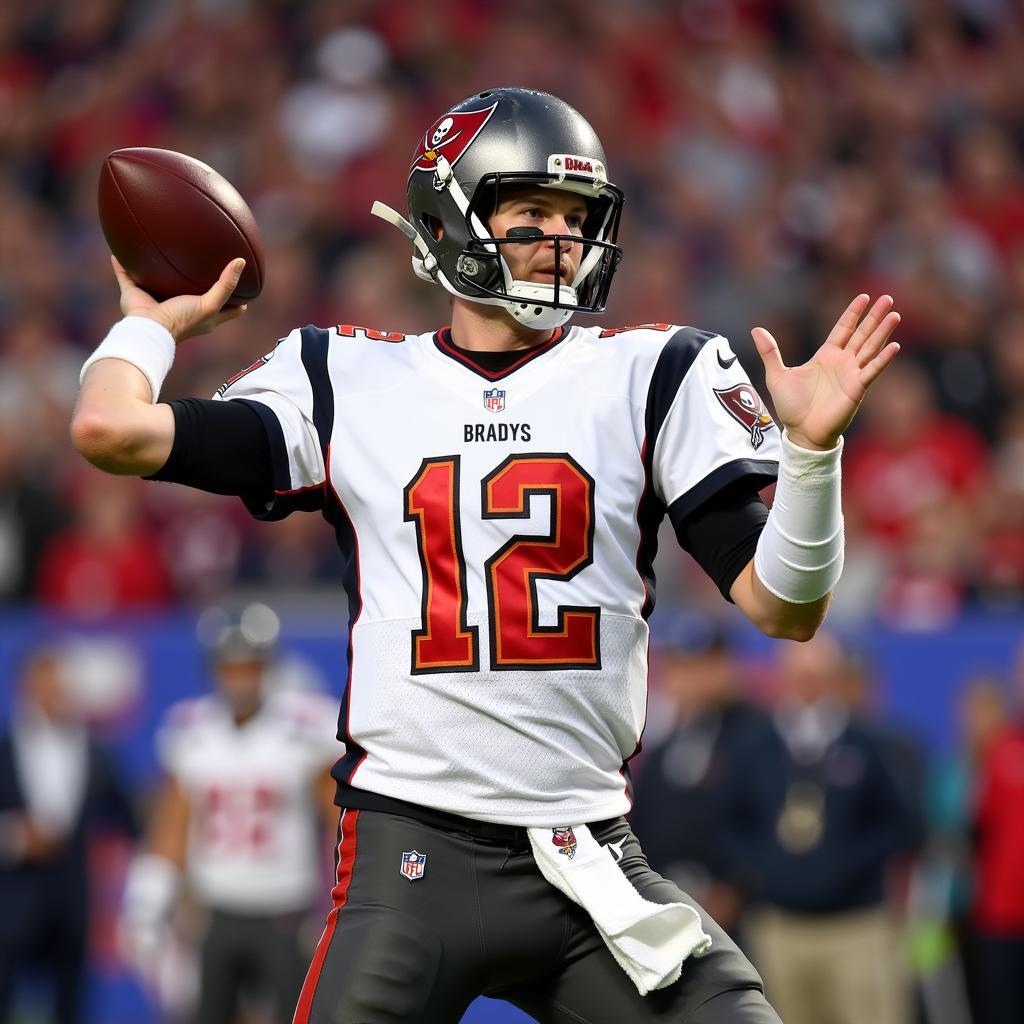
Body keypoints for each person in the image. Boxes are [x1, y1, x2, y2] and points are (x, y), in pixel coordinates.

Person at [71, 87, 901, 1023]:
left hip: (589, 862)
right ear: (448, 217)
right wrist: (152, 320)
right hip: (410, 858)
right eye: (531, 213)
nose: (561, 239)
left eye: (577, 218)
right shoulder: (343, 375)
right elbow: (110, 428)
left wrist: (813, 455)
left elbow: (786, 608)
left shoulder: (652, 370)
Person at [119, 605, 341, 1024]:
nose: (240, 678)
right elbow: (174, 825)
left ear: (267, 668)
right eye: (231, 667)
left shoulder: (301, 730)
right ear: (215, 670)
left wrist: (335, 902)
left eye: (250, 667)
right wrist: (147, 900)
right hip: (216, 910)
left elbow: (339, 824)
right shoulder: (193, 732)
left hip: (284, 909)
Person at [719, 631, 919, 1024]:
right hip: (779, 926)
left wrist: (846, 865)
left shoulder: (870, 744)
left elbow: (904, 824)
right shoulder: (754, 748)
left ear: (835, 678)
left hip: (857, 927)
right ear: (780, 679)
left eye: (817, 676)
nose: (807, 687)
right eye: (798, 676)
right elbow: (730, 822)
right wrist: (762, 869)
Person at [0, 645, 137, 1024]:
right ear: (26, 686)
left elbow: (129, 820)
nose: (56, 690)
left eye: (60, 682)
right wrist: (15, 837)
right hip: (12, 900)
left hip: (72, 903)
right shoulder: (4, 748)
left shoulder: (95, 751)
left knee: (71, 1005)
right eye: (46, 682)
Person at [630, 613, 771, 937]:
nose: (685, 678)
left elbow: (766, 823)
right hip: (668, 902)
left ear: (728, 668)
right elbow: (647, 823)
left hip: (743, 913)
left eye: (700, 665)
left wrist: (736, 890)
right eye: (678, 666)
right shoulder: (667, 743)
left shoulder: (759, 736)